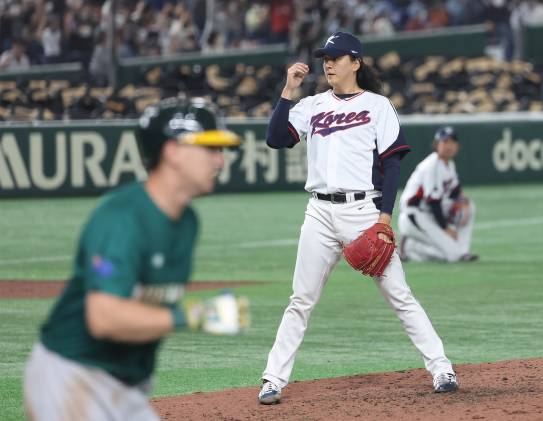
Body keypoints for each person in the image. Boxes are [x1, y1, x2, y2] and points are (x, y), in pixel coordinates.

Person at [258, 32, 458, 405]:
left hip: (363, 211)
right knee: (301, 299)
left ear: (355, 62)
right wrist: (287, 91)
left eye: (335, 58)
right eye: (325, 58)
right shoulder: (312, 105)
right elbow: (275, 138)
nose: (328, 64)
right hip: (319, 212)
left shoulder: (378, 106)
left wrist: (384, 218)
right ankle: (273, 379)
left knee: (399, 294)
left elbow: (392, 164)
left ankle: (441, 368)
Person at [23, 97, 243, 421]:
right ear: (173, 152)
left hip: (126, 384)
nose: (220, 161)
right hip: (73, 375)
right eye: (210, 148)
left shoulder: (187, 222)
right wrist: (198, 315)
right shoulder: (122, 218)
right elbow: (104, 319)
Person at [397, 126, 478, 263]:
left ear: (457, 146)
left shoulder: (449, 165)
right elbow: (433, 202)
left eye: (452, 142)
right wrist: (446, 228)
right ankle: (411, 246)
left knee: (468, 204)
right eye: (445, 142)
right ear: (436, 145)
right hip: (414, 216)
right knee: (452, 255)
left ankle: (463, 251)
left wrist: (462, 203)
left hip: (428, 214)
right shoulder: (431, 166)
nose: (449, 146)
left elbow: (455, 192)